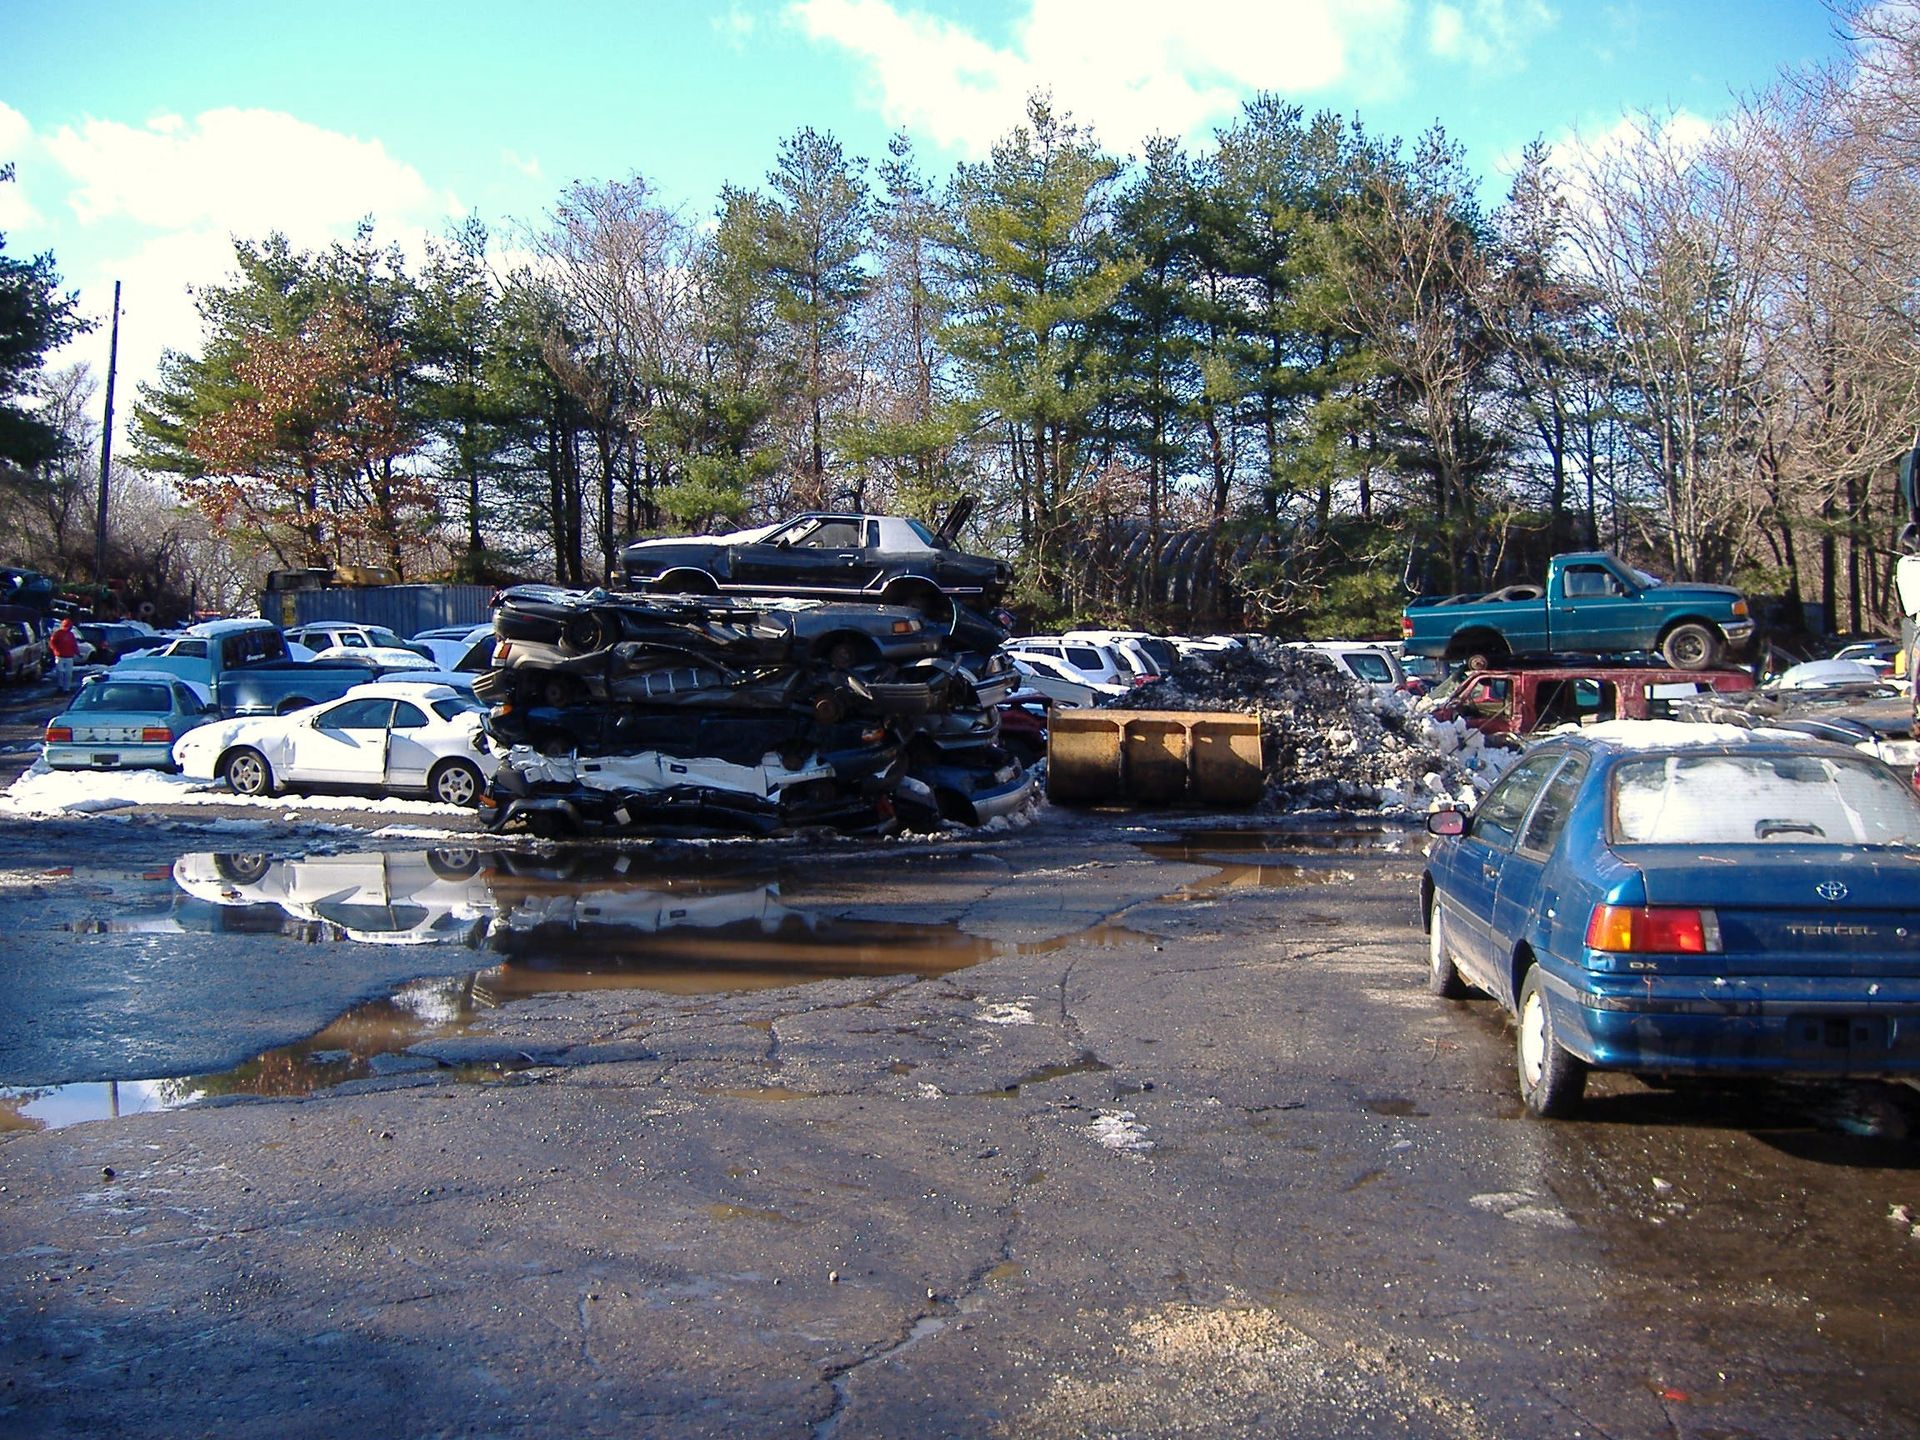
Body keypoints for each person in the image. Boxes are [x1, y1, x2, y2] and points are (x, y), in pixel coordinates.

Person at [47, 616, 79, 689]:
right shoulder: (57, 634)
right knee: (60, 672)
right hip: (59, 656)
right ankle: (60, 686)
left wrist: (77, 652)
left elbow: (74, 644)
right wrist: (55, 650)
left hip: (69, 656)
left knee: (68, 674)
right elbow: (52, 643)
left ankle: (67, 688)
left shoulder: (71, 635)